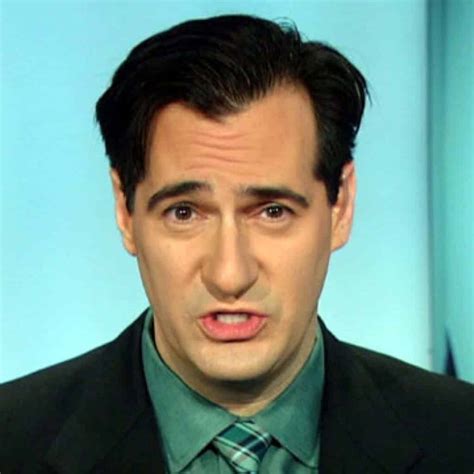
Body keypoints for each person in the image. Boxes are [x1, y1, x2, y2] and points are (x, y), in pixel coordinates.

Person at [1, 14, 473, 474]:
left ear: (340, 206)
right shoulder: (12, 441)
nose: (230, 275)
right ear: (125, 211)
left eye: (273, 212)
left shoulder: (460, 436)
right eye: (184, 213)